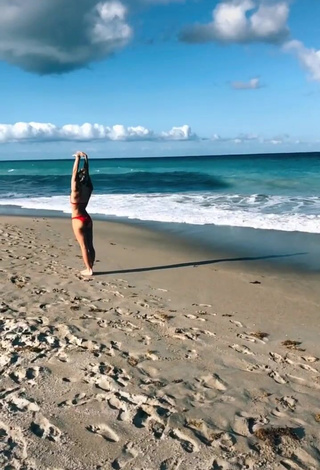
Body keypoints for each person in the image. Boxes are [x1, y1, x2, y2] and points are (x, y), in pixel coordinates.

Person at [70, 151, 95, 276]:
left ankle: (89, 269)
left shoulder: (75, 190)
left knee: (83, 246)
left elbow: (74, 174)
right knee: (90, 245)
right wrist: (86, 160)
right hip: (87, 217)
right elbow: (87, 173)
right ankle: (91, 265)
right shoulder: (88, 187)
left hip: (77, 219)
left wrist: (77, 158)